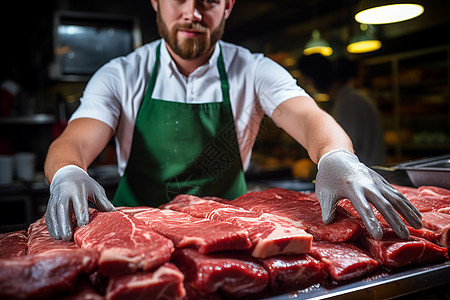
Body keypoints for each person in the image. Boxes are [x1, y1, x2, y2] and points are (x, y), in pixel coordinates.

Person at [44, 0, 422, 242]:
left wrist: (336, 156)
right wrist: (66, 172)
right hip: (135, 234)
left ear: (227, 6)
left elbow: (309, 119)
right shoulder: (121, 74)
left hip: (230, 234)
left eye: (208, 0)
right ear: (156, 2)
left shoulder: (253, 69)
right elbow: (75, 140)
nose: (193, 12)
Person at [297, 53, 386, 166]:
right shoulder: (350, 99)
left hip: (366, 175)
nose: (307, 84)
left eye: (307, 79)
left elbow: (342, 151)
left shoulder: (349, 102)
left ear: (316, 77)